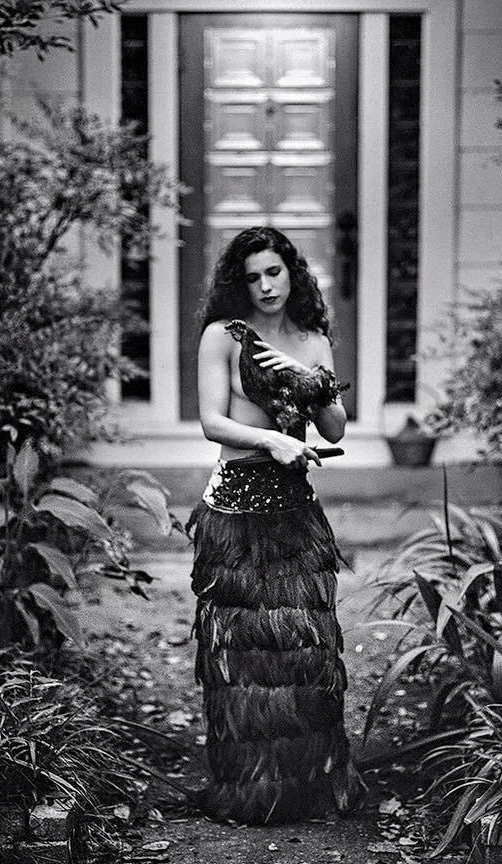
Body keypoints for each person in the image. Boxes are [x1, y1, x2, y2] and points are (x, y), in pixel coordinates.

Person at [189, 226, 367, 825]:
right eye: (252, 277)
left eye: (274, 272)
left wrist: (308, 375)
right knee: (244, 660)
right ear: (238, 285)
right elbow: (213, 422)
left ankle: (307, 787)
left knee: (304, 649)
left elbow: (336, 429)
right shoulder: (223, 337)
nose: (265, 286)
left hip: (294, 513)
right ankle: (251, 792)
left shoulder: (313, 337)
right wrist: (271, 439)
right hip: (236, 514)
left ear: (293, 273)